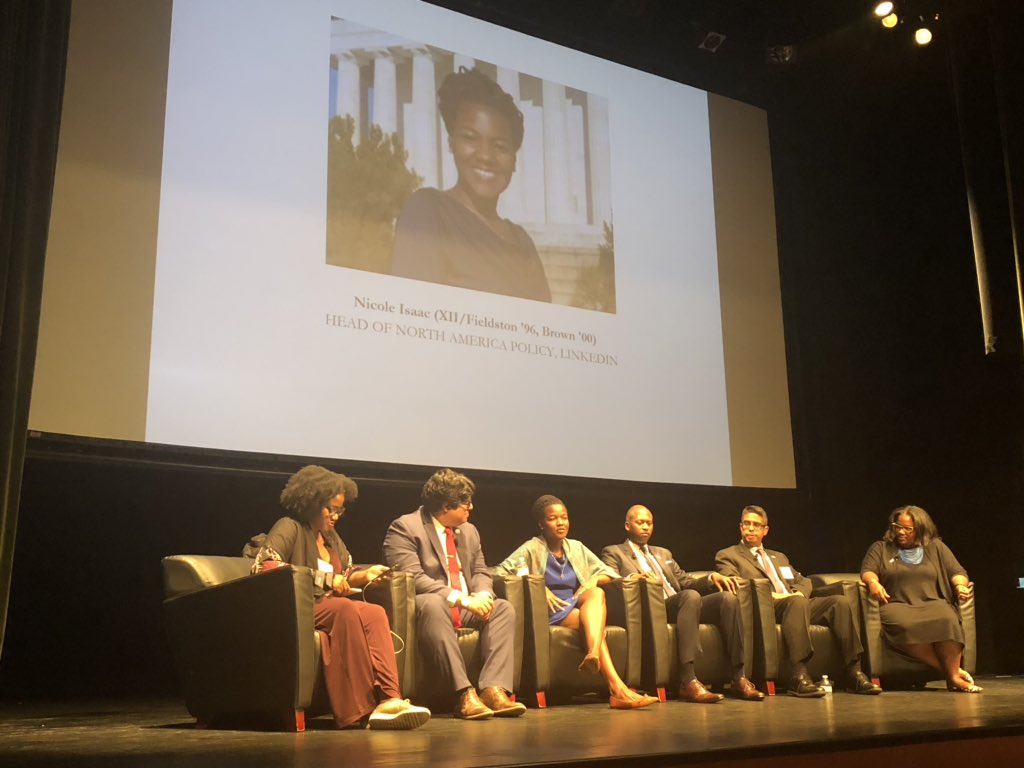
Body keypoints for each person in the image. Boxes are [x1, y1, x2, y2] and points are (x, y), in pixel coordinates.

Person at [257, 466, 431, 730]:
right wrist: (325, 580)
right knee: (345, 610)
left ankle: (390, 698)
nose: (336, 516)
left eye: (340, 510)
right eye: (331, 509)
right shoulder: (289, 527)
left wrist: (367, 574)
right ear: (311, 501)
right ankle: (361, 708)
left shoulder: (330, 538)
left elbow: (346, 573)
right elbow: (266, 565)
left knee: (374, 612)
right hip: (298, 606)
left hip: (328, 605)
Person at [390, 67, 552, 303]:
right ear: (451, 143)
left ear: (514, 160)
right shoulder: (429, 211)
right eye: (470, 138)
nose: (485, 156)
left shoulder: (522, 241)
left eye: (501, 146)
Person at [382, 468, 526, 719]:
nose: (471, 508)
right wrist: (461, 599)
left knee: (502, 608)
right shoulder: (405, 527)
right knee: (433, 602)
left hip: (465, 606)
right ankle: (462, 694)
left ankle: (493, 689)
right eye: (465, 503)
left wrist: (482, 595)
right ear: (446, 506)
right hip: (430, 607)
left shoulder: (469, 530)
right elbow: (414, 578)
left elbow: (481, 570)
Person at [496, 495, 659, 709]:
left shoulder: (575, 547)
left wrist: (592, 579)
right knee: (594, 628)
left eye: (564, 517)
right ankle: (618, 688)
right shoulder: (531, 548)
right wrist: (537, 585)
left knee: (597, 593)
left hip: (574, 603)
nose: (561, 523)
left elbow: (608, 572)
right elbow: (500, 571)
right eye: (553, 518)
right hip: (551, 610)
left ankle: (594, 656)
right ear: (541, 524)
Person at [601, 505, 764, 703]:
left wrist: (711, 578)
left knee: (727, 599)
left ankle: (739, 677)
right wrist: (636, 577)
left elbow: (685, 580)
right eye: (640, 522)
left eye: (649, 523)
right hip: (655, 609)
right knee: (689, 596)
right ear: (627, 525)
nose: (645, 527)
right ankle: (688, 680)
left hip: (684, 604)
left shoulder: (663, 554)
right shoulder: (614, 552)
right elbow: (610, 579)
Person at [715, 505, 882, 697]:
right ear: (740, 527)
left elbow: (803, 581)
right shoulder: (728, 555)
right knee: (796, 603)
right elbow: (736, 585)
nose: (751, 528)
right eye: (747, 524)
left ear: (765, 530)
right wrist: (783, 597)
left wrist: (799, 593)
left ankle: (854, 672)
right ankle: (798, 675)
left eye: (756, 525)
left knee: (839, 603)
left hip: (795, 603)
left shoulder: (778, 557)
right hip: (765, 608)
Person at [860, 505, 978, 693]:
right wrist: (873, 583)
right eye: (897, 526)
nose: (900, 532)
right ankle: (952, 675)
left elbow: (957, 572)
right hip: (897, 604)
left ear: (921, 529)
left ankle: (953, 676)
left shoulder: (936, 547)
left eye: (907, 529)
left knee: (948, 619)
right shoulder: (881, 548)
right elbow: (868, 571)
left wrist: (960, 585)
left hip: (932, 602)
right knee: (904, 625)